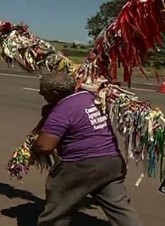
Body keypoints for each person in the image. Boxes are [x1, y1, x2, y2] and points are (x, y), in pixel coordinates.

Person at [31, 72, 143, 226]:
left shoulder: (62, 111)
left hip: (82, 165)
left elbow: (45, 146)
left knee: (58, 203)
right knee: (120, 209)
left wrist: (33, 146)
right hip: (112, 162)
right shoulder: (90, 96)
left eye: (43, 92)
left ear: (55, 94)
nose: (41, 94)